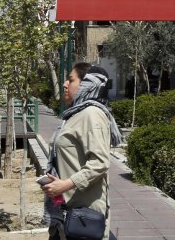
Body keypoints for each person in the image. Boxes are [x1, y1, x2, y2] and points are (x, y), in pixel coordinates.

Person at [42, 62, 122, 239]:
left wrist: (66, 184)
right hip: (64, 210)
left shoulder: (92, 114)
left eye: (70, 80)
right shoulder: (74, 115)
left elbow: (100, 162)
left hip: (82, 215)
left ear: (87, 85)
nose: (65, 84)